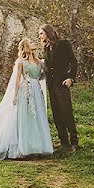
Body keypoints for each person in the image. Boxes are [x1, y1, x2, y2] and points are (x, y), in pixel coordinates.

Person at [38, 24, 79, 152]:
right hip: (51, 84)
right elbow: (48, 66)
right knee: (56, 114)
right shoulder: (46, 47)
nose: (40, 36)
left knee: (66, 112)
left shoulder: (63, 44)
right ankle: (64, 143)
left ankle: (74, 143)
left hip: (62, 83)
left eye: (41, 33)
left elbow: (74, 61)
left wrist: (71, 78)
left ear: (48, 33)